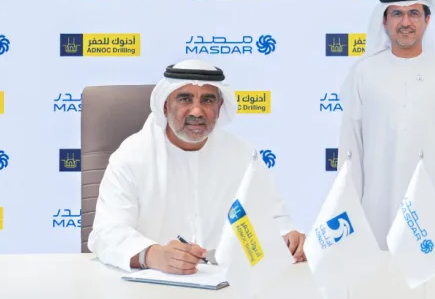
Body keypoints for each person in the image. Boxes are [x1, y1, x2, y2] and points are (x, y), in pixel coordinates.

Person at [88, 60, 306, 274]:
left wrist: (288, 238)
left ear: (219, 108)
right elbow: (106, 233)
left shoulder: (243, 155)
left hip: (227, 283)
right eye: (185, 99)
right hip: (152, 283)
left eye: (208, 100)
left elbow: (274, 218)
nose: (197, 111)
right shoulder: (131, 156)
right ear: (165, 105)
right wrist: (153, 255)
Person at [338, 0, 435, 249]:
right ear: (385, 22)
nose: (405, 22)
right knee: (380, 269)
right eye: (397, 14)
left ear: (427, 20)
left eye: (414, 13)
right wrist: (348, 205)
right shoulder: (364, 72)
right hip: (378, 203)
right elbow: (351, 144)